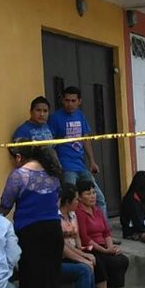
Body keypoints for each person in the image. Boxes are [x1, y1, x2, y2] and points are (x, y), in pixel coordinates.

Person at [0, 144, 64, 288]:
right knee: (53, 278)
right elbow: (57, 200)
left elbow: (5, 204)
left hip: (30, 230)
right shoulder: (54, 174)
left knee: (37, 282)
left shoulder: (19, 175)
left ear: (20, 156)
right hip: (54, 228)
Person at [48, 86, 107, 217]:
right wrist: (57, 165)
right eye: (67, 100)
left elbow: (85, 139)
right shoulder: (55, 118)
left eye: (73, 100)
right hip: (66, 167)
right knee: (69, 202)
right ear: (62, 100)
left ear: (79, 101)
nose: (70, 104)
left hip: (81, 166)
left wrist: (92, 161)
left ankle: (105, 232)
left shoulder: (80, 115)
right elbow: (49, 144)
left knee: (99, 199)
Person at [74, 178, 128, 288]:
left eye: (93, 193)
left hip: (103, 246)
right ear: (79, 197)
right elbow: (85, 237)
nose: (92, 196)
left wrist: (110, 248)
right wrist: (104, 250)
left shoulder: (97, 210)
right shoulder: (79, 213)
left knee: (121, 260)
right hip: (90, 247)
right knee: (101, 263)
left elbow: (106, 232)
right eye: (87, 194)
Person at [58, 184, 107, 288]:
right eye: (75, 200)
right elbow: (63, 247)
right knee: (84, 269)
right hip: (62, 257)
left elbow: (77, 238)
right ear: (68, 202)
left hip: (74, 251)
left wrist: (83, 253)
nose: (78, 202)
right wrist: (81, 258)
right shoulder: (56, 218)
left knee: (92, 263)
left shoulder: (72, 215)